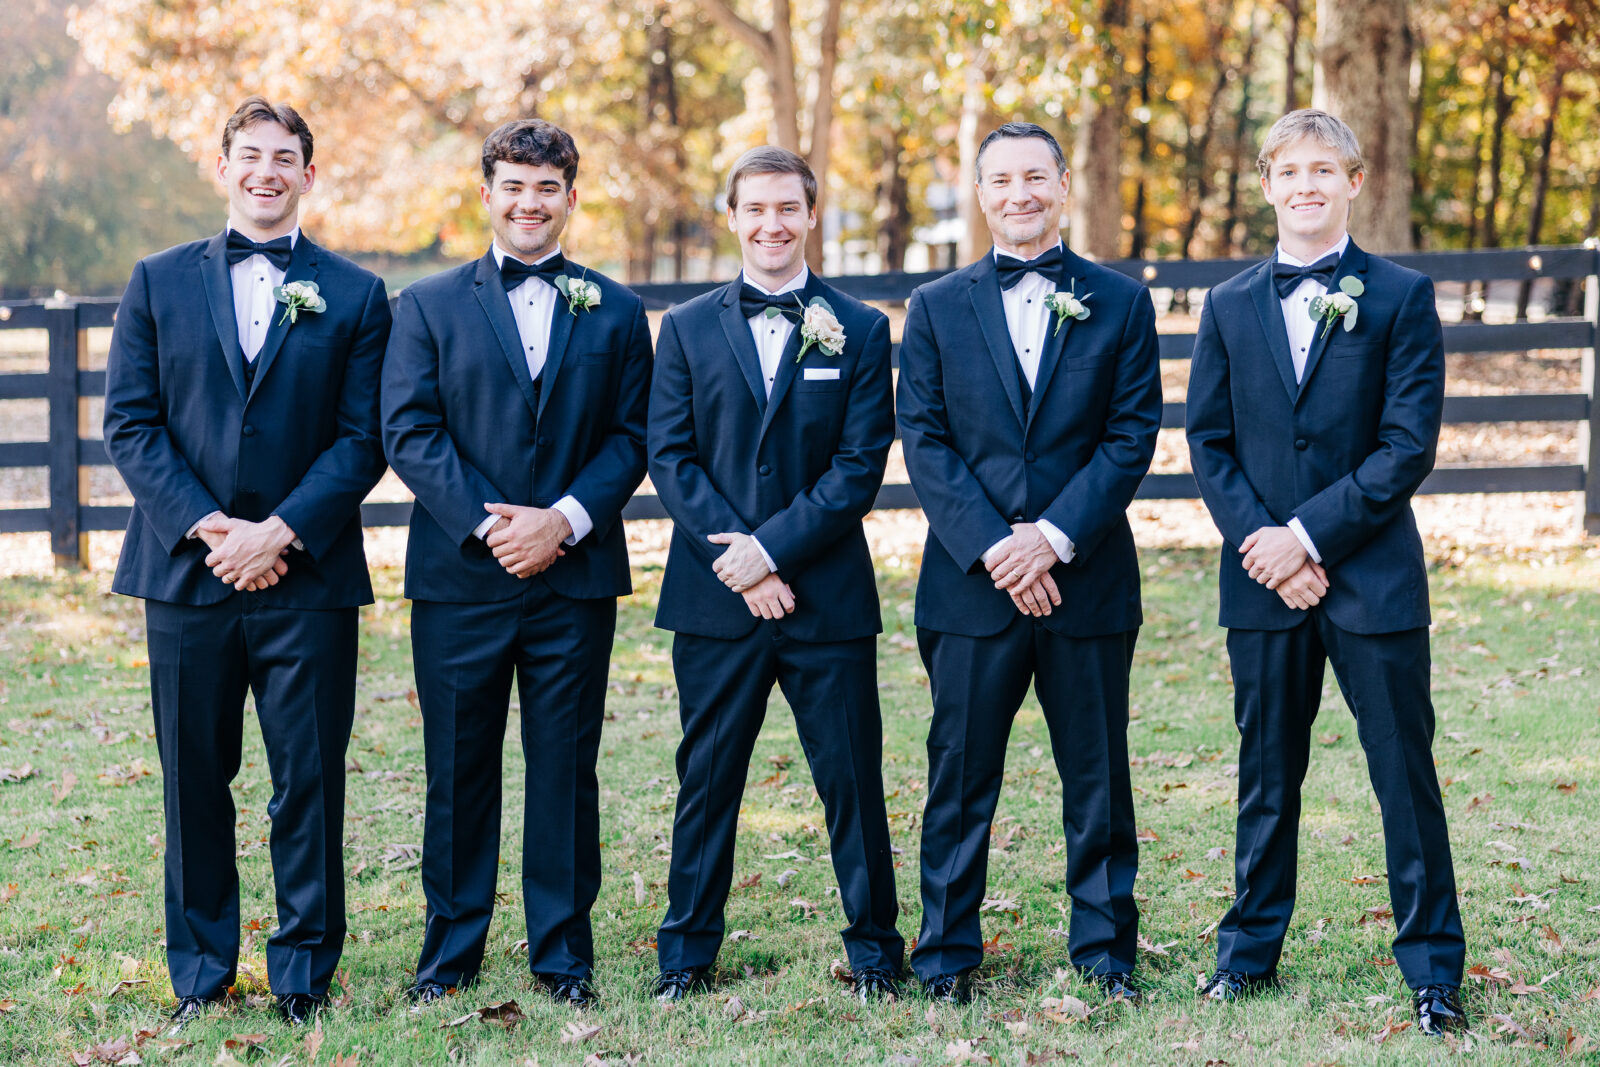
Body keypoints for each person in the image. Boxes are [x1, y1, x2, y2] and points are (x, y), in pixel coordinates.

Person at [103, 97, 390, 1028]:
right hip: (186, 575)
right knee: (194, 777)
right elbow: (131, 423)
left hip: (307, 578)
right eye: (251, 155)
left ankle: (303, 973)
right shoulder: (155, 281)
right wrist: (212, 528)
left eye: (286, 157)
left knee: (307, 778)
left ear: (311, 173)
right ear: (220, 165)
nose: (267, 171)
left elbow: (362, 438)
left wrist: (281, 532)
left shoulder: (355, 293)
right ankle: (200, 972)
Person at [1185, 108, 1465, 1036]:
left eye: (1324, 168)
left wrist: (1306, 535)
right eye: (1288, 170)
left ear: (1354, 180)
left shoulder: (1399, 296)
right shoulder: (1226, 305)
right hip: (1261, 582)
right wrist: (1266, 545)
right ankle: (1248, 952)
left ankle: (1432, 970)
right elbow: (1209, 441)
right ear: (1265, 185)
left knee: (1402, 772)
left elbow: (1405, 445)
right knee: (1267, 773)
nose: (1306, 184)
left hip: (1372, 577)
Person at [381, 119, 651, 1010]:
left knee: (565, 767)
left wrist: (564, 521)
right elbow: (409, 431)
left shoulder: (613, 309)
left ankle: (562, 954)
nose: (529, 203)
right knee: (457, 767)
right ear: (487, 193)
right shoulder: (424, 305)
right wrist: (492, 527)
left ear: (572, 197)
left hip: (574, 577)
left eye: (547, 189)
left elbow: (631, 437)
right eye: (513, 186)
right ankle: (450, 954)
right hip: (461, 577)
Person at [896, 122, 1161, 1004]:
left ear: (1063, 183)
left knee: (1098, 775)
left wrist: (1051, 537)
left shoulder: (1121, 303)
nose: (1019, 193)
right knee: (960, 776)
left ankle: (1106, 951)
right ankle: (943, 956)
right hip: (971, 586)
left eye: (1035, 177)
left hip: (1084, 578)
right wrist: (999, 547)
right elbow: (925, 442)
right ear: (980, 193)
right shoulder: (935, 306)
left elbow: (1130, 437)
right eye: (1001, 179)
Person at [647, 146, 904, 1003]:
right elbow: (671, 456)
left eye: (787, 208)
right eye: (755, 209)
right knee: (707, 777)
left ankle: (874, 950)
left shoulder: (860, 327)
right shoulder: (683, 328)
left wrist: (775, 550)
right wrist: (740, 560)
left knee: (852, 781)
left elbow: (859, 465)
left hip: (824, 594)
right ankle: (685, 953)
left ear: (811, 214)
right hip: (715, 596)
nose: (771, 224)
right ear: (731, 217)